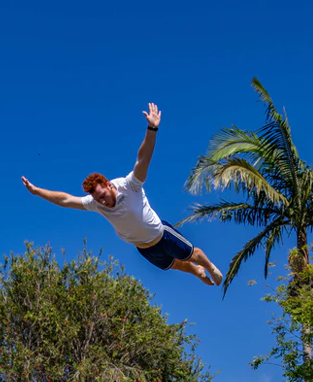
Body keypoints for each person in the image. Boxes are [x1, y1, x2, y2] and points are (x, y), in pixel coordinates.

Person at [21, 104, 223, 286]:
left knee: (193, 255)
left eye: (102, 195)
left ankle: (210, 267)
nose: (102, 201)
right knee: (177, 266)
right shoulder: (95, 202)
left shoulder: (130, 185)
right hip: (144, 248)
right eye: (98, 198)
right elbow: (65, 200)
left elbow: (142, 159)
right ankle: (197, 273)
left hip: (161, 235)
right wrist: (37, 191)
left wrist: (152, 129)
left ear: (108, 185)